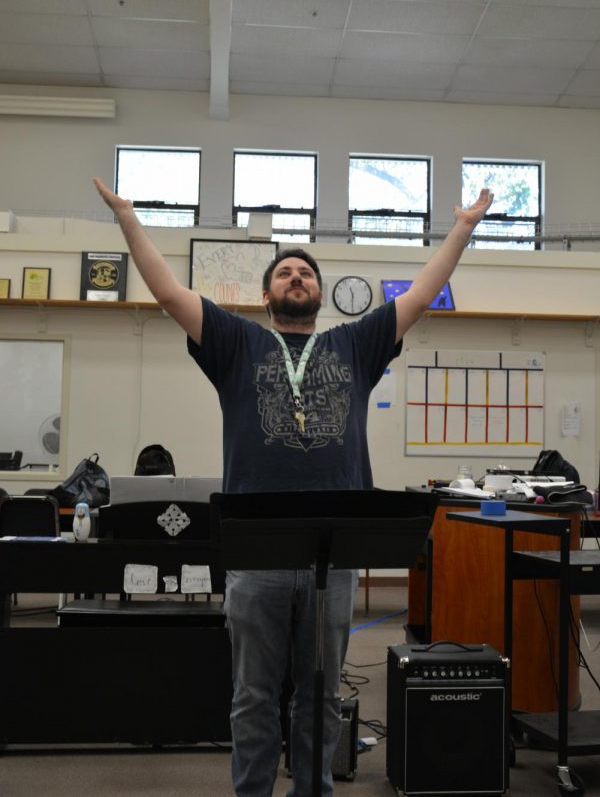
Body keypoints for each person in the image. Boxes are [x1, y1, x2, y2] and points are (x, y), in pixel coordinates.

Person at [93, 177, 493, 797]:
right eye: (285, 272)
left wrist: (463, 227)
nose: (297, 277)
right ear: (266, 292)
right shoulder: (236, 341)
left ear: (321, 291)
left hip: (334, 556)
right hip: (258, 554)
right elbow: (170, 293)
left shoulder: (354, 344)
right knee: (253, 695)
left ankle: (314, 791)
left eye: (306, 271)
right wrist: (127, 218)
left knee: (322, 696)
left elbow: (420, 294)